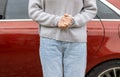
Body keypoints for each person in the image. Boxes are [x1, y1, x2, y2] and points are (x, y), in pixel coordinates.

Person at [28, 0, 97, 77]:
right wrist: (57, 20)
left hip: (76, 42)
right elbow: (33, 11)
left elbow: (91, 9)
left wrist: (73, 21)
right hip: (49, 41)